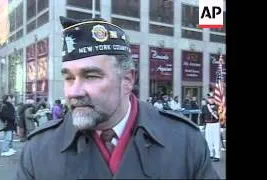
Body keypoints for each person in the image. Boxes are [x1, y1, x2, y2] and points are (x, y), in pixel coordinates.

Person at [16, 16, 220, 179]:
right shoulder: (39, 150)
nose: (74, 91)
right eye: (69, 78)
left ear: (127, 80)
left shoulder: (185, 142)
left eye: (91, 76)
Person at [204, 94, 221, 162]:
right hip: (208, 124)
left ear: (214, 99)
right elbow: (202, 115)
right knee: (208, 140)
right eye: (209, 98)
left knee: (216, 140)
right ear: (208, 99)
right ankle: (210, 154)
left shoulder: (218, 106)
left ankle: (217, 155)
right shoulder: (205, 107)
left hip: (215, 124)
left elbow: (221, 115)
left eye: (212, 98)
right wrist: (203, 124)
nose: (211, 100)